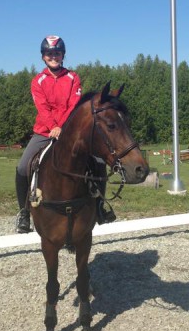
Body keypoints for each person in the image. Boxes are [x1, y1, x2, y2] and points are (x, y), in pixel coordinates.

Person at [15, 35, 115, 233]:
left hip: (70, 131)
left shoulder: (73, 78)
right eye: (49, 53)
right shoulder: (38, 81)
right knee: (22, 167)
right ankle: (24, 213)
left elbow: (73, 105)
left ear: (63, 55)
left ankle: (100, 207)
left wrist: (62, 127)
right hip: (44, 131)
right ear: (43, 57)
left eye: (57, 53)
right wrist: (53, 126)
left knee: (99, 162)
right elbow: (42, 108)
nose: (53, 56)